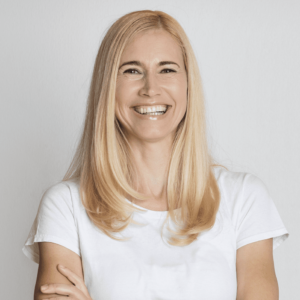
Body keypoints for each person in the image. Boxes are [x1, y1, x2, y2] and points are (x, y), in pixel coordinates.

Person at [22, 10, 289, 300]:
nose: (151, 89)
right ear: (108, 86)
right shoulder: (66, 206)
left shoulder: (244, 198)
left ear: (188, 84)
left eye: (167, 69)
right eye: (132, 70)